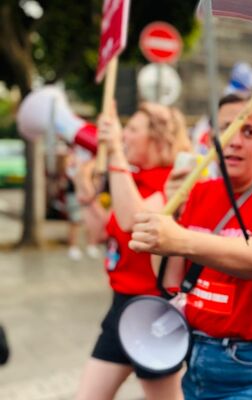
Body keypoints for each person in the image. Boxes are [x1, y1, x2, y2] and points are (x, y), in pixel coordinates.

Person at [129, 94, 252, 400]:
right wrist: (171, 213)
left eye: (249, 132)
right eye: (227, 129)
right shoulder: (199, 193)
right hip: (200, 358)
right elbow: (170, 279)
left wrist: (180, 238)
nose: (236, 141)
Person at [75, 102, 190, 400]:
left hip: (152, 311)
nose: (124, 135)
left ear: (158, 137)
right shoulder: (131, 178)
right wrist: (85, 195)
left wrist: (114, 152)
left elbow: (132, 220)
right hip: (120, 306)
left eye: (133, 129)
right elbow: (102, 233)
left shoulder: (176, 180)